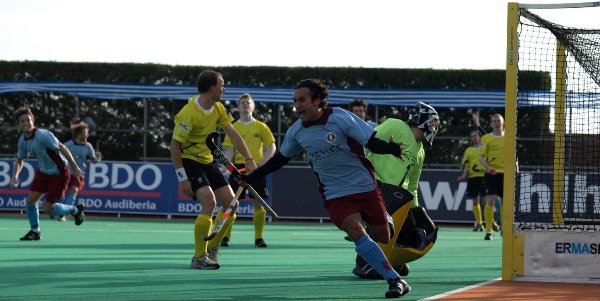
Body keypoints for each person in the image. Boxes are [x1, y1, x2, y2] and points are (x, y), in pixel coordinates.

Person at [237, 79, 411, 298]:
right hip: (334, 192)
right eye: (294, 101)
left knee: (384, 236)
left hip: (364, 185)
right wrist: (252, 177)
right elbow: (280, 159)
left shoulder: (340, 117)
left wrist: (392, 149)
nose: (297, 105)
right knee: (356, 231)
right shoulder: (296, 131)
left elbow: (370, 142)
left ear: (317, 100)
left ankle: (385, 216)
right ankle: (395, 280)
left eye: (302, 100)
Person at [169, 70, 257, 270]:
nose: (224, 88)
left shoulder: (218, 108)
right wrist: (182, 178)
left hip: (209, 161)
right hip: (189, 161)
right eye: (222, 84)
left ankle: (212, 249)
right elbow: (174, 147)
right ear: (212, 88)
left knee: (232, 205)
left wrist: (249, 159)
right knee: (209, 201)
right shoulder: (189, 114)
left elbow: (233, 135)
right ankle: (198, 257)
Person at [356, 102, 440, 279]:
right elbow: (367, 141)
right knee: (385, 221)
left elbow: (412, 185)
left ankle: (391, 260)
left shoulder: (421, 150)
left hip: (397, 196)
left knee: (418, 233)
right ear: (421, 119)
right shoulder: (396, 125)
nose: (434, 127)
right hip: (374, 186)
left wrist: (416, 209)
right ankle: (365, 264)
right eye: (432, 122)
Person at [9, 107, 86, 241]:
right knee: (30, 201)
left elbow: (63, 147)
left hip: (59, 174)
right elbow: (20, 160)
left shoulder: (43, 135)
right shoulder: (22, 140)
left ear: (33, 121)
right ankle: (35, 231)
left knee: (48, 208)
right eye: (22, 121)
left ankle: (75, 210)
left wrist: (75, 167)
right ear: (18, 125)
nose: (26, 123)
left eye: (28, 120)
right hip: (43, 173)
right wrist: (14, 177)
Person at [221, 93, 276, 248]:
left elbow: (272, 146)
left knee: (258, 203)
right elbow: (230, 149)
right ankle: (225, 236)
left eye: (248, 102)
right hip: (237, 170)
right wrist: (226, 168)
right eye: (242, 102)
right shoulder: (233, 127)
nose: (245, 104)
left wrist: (263, 162)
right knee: (231, 204)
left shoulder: (261, 126)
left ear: (253, 106)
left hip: (256, 169)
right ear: (238, 107)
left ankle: (259, 238)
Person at [60, 122, 102, 221]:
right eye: (85, 132)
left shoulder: (88, 146)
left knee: (74, 190)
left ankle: (63, 214)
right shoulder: (68, 145)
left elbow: (94, 160)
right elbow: (59, 153)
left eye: (87, 133)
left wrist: (98, 158)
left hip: (79, 174)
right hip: (66, 173)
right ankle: (58, 210)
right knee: (62, 193)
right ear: (79, 133)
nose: (87, 135)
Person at [478, 113, 505, 240]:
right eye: (494, 121)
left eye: (498, 121)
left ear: (503, 122)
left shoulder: (509, 137)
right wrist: (488, 168)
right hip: (491, 174)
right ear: (491, 124)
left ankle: (505, 228)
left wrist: (516, 168)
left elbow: (515, 156)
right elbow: (481, 158)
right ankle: (489, 231)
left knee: (506, 203)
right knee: (490, 200)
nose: (496, 123)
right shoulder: (486, 138)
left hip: (506, 174)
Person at [457, 129, 486, 232]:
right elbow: (466, 165)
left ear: (480, 137)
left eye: (475, 136)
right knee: (475, 201)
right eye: (472, 136)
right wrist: (463, 176)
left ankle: (491, 223)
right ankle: (479, 223)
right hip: (473, 178)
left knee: (487, 201)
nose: (474, 138)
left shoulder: (485, 148)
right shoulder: (468, 150)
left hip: (485, 176)